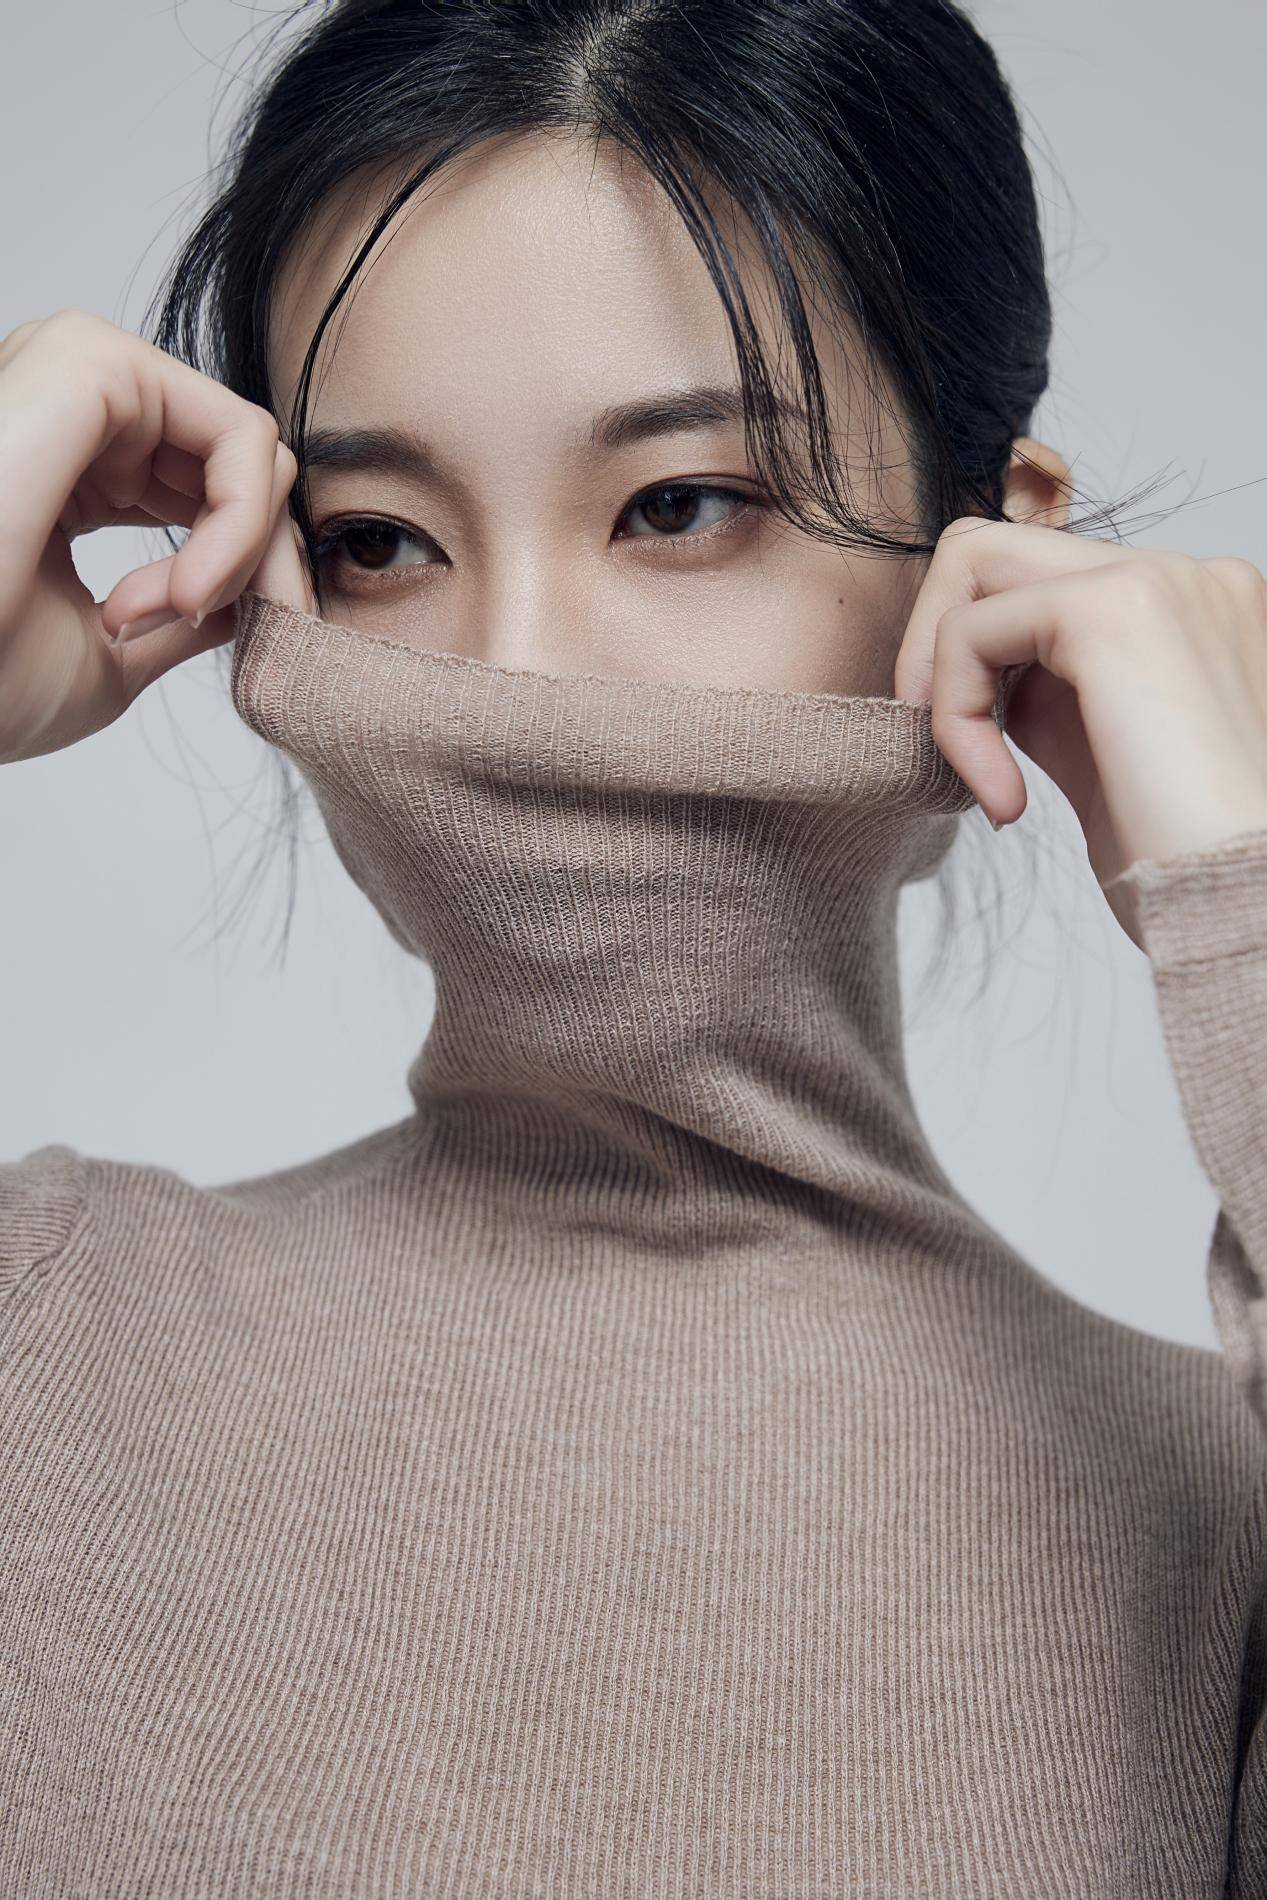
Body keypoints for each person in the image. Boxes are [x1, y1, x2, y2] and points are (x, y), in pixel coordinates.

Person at [2, 1, 1265, 1893]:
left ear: (997, 573)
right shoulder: (39, 1341)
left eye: (678, 508)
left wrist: (1247, 903)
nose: (515, 680)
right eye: (376, 542)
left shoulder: (1224, 1540)